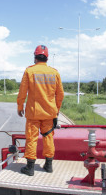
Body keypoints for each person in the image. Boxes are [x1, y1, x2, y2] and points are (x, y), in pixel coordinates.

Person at [17, 45, 64, 176]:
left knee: (31, 138)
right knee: (48, 137)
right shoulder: (54, 72)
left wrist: (20, 106)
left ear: (35, 57)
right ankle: (48, 165)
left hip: (33, 113)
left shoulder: (29, 71)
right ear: (47, 58)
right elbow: (60, 94)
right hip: (49, 113)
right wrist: (57, 110)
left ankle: (30, 168)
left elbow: (22, 92)